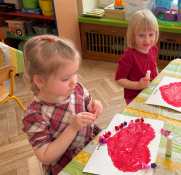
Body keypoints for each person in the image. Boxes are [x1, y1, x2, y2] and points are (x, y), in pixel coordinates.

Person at [22, 35, 103, 175]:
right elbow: (46, 157)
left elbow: (88, 104)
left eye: (75, 73)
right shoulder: (35, 115)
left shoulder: (77, 88)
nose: (74, 81)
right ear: (40, 81)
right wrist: (73, 128)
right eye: (65, 78)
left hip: (91, 147)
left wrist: (94, 105)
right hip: (66, 165)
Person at [115, 10, 159, 104]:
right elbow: (119, 80)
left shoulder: (153, 48)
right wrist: (137, 85)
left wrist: (158, 77)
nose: (147, 40)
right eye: (141, 35)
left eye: (151, 35)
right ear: (133, 35)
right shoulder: (129, 55)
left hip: (151, 91)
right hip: (134, 96)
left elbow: (154, 66)